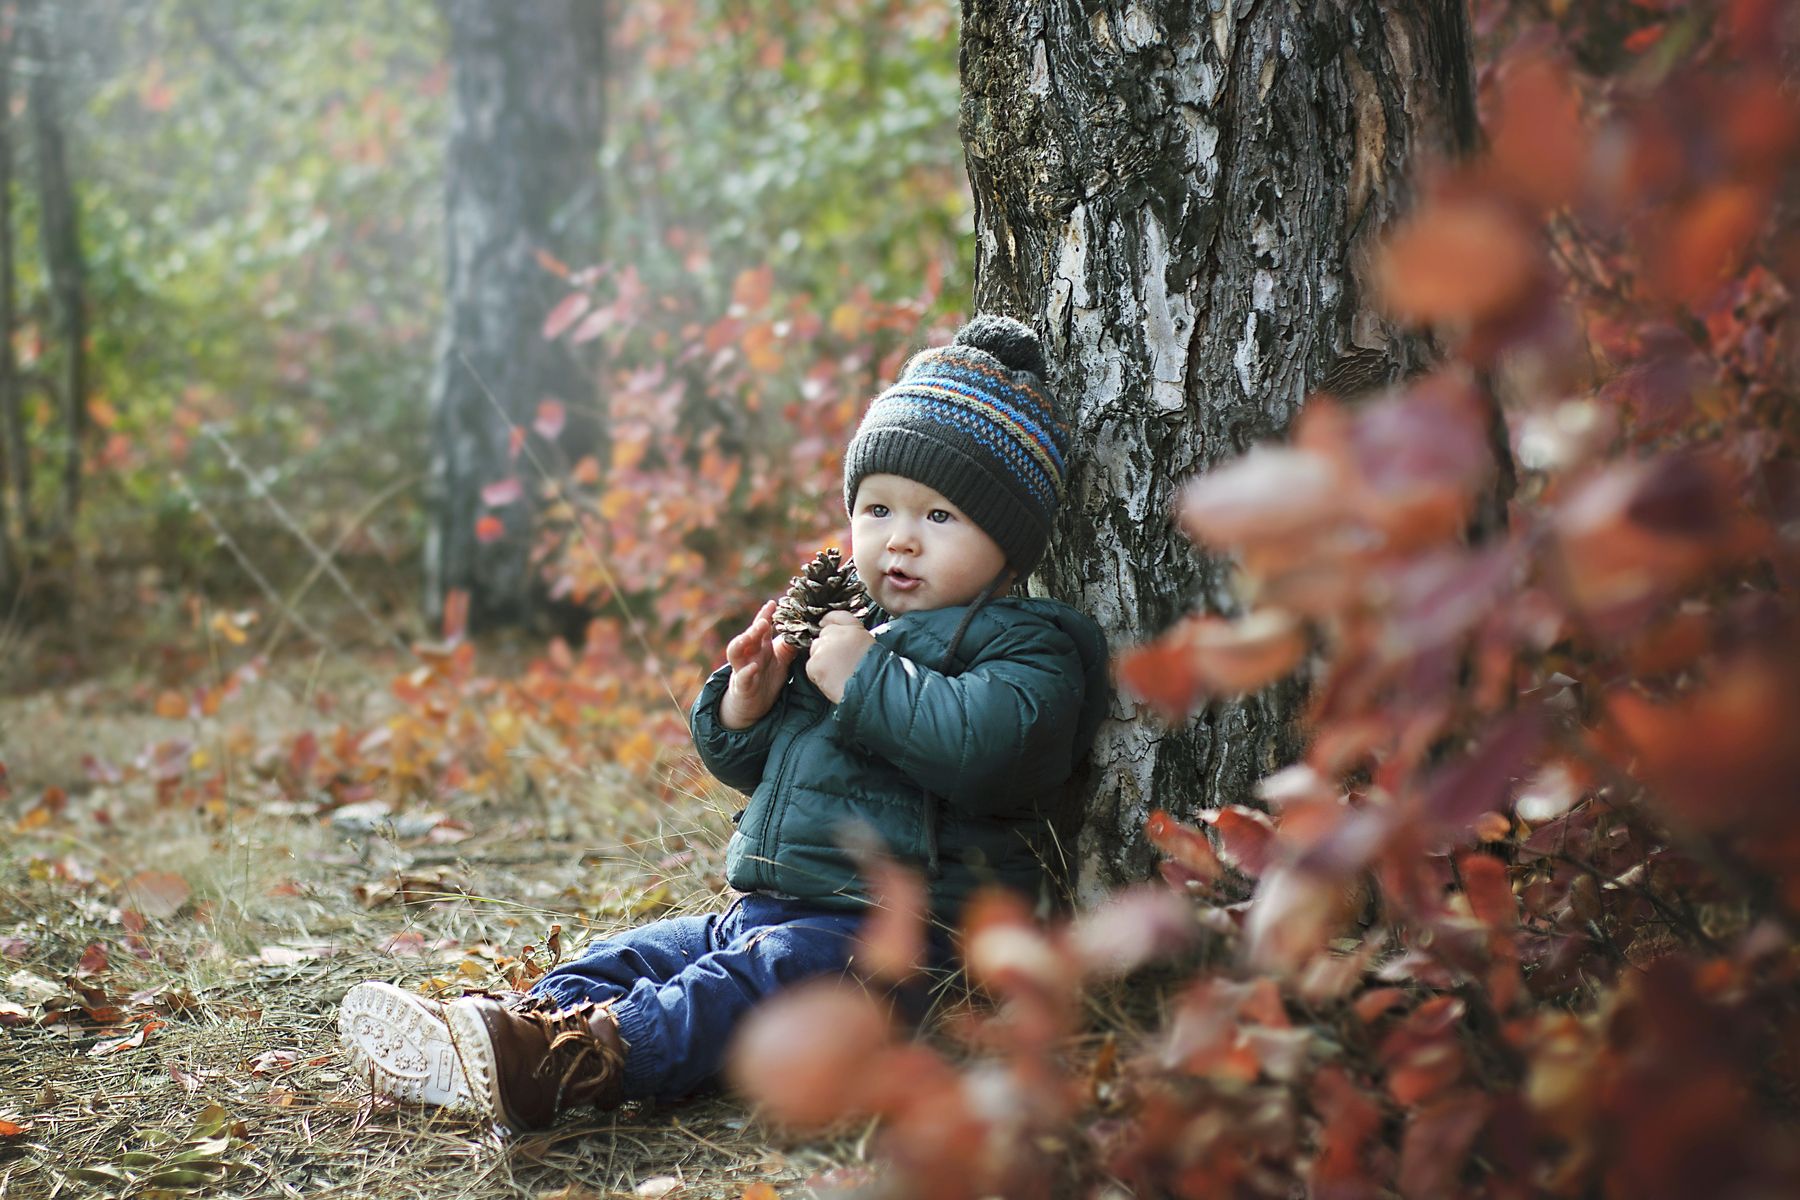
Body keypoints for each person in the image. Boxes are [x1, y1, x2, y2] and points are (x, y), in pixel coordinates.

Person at [337, 314, 1110, 1133]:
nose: (900, 542)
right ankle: (506, 1033)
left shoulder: (1029, 645)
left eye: (940, 518)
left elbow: (992, 751)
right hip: (771, 906)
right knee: (637, 955)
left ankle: (569, 1065)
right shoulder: (848, 626)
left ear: (1012, 551)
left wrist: (864, 680)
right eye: (879, 509)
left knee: (738, 988)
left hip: (906, 948)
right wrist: (749, 700)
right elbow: (770, 767)